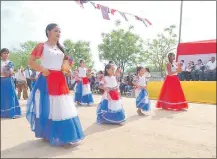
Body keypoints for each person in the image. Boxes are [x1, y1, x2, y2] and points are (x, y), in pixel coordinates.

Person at [26, 23, 84, 146]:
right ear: (48, 32)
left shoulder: (61, 48)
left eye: (60, 32)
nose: (59, 33)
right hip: (46, 79)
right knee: (48, 107)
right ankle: (47, 134)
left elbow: (63, 67)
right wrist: (42, 69)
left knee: (61, 107)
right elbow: (30, 62)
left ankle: (64, 136)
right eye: (56, 31)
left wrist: (67, 70)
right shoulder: (41, 46)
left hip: (59, 79)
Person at [1, 48, 21, 119]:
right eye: (4, 53)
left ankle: (12, 114)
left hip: (9, 81)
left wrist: (10, 72)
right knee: (2, 96)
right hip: (1, 80)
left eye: (7, 53)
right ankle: (3, 113)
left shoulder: (10, 62)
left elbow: (12, 72)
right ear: (1, 54)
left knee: (11, 96)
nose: (6, 54)